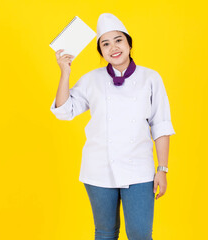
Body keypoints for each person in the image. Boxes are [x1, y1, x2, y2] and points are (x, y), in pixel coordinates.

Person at [50, 13, 175, 240]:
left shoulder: (151, 78)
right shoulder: (91, 79)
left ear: (128, 43)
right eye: (105, 44)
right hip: (98, 169)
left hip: (139, 169)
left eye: (118, 40)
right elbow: (64, 110)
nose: (113, 48)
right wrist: (65, 73)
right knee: (105, 233)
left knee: (140, 234)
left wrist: (162, 169)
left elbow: (161, 125)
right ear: (101, 51)